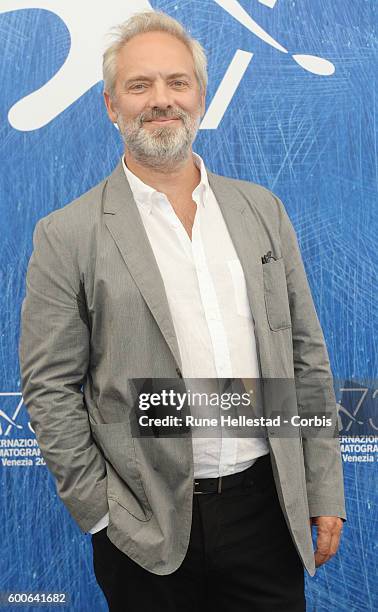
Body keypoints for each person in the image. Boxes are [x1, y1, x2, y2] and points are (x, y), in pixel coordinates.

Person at [19, 10, 346, 612]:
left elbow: (306, 359)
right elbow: (49, 388)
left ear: (200, 95)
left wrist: (322, 486)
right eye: (139, 85)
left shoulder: (262, 211)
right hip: (145, 529)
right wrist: (100, 513)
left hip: (267, 512)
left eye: (177, 82)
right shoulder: (66, 234)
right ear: (110, 105)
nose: (161, 100)